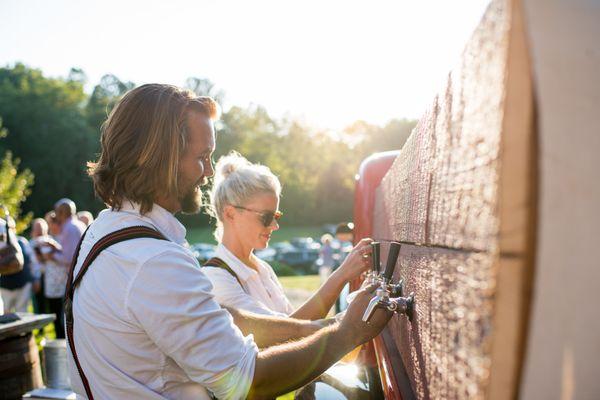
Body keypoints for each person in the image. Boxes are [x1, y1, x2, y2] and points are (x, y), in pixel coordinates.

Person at [68, 83, 391, 400]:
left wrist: (315, 329)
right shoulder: (152, 260)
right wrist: (346, 333)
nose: (209, 171)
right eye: (202, 156)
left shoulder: (103, 234)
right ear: (158, 157)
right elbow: (245, 382)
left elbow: (217, 316)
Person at [204, 152, 373, 320]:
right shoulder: (217, 279)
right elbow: (286, 333)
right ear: (230, 214)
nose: (275, 226)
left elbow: (295, 325)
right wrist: (342, 275)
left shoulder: (263, 268)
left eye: (276, 217)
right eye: (266, 217)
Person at [0, 230, 34, 314]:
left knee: (22, 313)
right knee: (6, 314)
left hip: (23, 284)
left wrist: (34, 278)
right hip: (5, 287)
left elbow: (31, 261)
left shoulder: (22, 242)